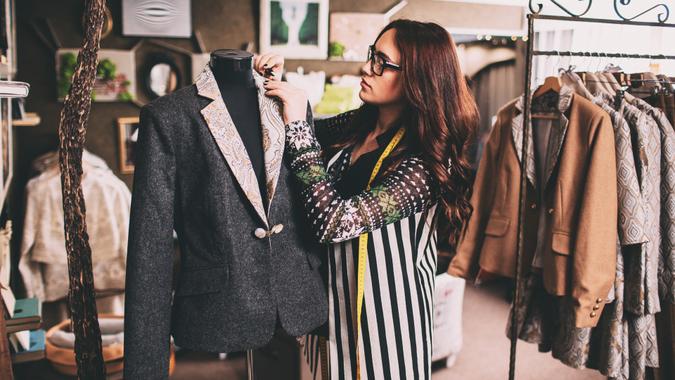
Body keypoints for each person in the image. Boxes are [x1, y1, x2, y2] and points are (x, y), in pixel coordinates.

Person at [256, 19, 478, 379]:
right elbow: (303, 135)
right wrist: (281, 87)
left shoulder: (423, 164)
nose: (366, 68)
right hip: (334, 302)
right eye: (371, 55)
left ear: (418, 78)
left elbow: (334, 222)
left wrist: (297, 123)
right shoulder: (360, 124)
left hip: (388, 318)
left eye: (381, 62)